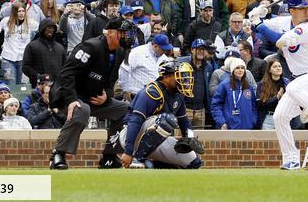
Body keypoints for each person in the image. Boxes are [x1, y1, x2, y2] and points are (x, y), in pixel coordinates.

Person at [250, 0, 308, 170]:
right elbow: (265, 26)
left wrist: (259, 24)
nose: (307, 11)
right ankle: (291, 159)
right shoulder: (284, 22)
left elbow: (277, 40)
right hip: (304, 81)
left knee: (291, 87)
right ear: (291, 11)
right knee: (280, 117)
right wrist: (257, 14)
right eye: (302, 8)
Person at [48, 18, 133, 170]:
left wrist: (107, 95)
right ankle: (58, 154)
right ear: (111, 33)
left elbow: (111, 79)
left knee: (124, 110)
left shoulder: (120, 52)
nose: (127, 36)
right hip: (68, 95)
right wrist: (71, 100)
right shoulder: (90, 47)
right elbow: (67, 73)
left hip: (91, 97)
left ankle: (109, 156)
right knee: (82, 110)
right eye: (123, 33)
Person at [119, 59, 203, 169]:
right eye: (179, 76)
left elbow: (184, 121)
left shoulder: (178, 94)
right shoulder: (151, 92)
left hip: (156, 140)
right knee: (167, 120)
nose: (184, 80)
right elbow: (135, 121)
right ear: (166, 77)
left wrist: (190, 138)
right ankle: (137, 158)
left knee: (193, 162)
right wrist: (128, 151)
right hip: (130, 136)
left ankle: (159, 166)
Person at [211, 56, 258, 130]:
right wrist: (221, 122)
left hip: (247, 127)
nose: (240, 70)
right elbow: (216, 105)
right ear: (232, 70)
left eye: (242, 68)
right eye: (237, 68)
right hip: (229, 127)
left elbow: (253, 106)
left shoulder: (248, 87)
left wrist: (253, 121)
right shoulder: (224, 85)